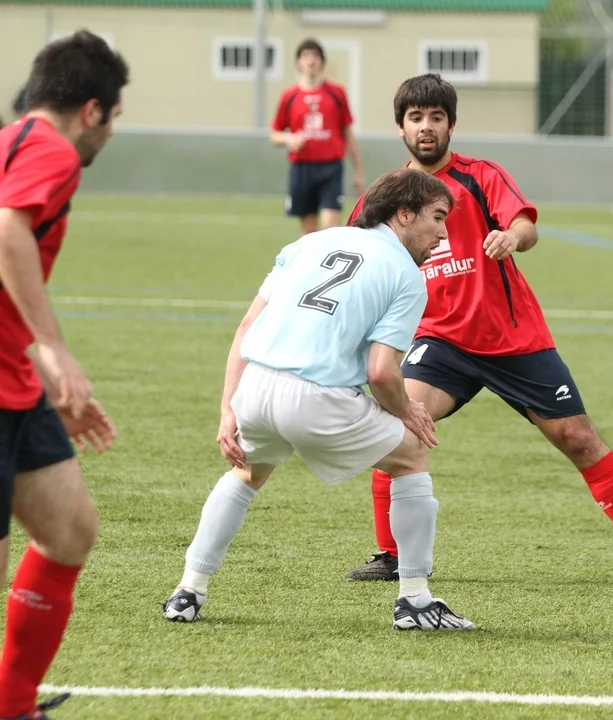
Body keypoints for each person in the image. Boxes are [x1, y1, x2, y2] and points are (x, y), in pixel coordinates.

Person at [343, 74, 613, 587]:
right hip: (439, 343)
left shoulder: (481, 176)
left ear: (451, 125)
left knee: (578, 438)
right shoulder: (386, 195)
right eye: (416, 118)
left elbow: (526, 225)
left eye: (436, 118)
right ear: (400, 127)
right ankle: (390, 554)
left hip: (513, 339)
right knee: (395, 426)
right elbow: (353, 251)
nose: (426, 127)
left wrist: (511, 237)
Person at [161, 168, 476, 631]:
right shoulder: (407, 275)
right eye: (438, 216)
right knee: (411, 455)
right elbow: (381, 372)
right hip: (315, 399)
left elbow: (247, 327)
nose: (444, 233)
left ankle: (188, 589)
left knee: (246, 474)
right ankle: (415, 599)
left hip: (256, 387)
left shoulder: (309, 243)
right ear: (404, 214)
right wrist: (407, 410)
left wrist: (228, 408)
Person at [0, 30, 127, 720]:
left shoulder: (14, 141)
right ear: (92, 110)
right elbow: (6, 233)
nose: (110, 132)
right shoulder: (52, 150)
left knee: (70, 528)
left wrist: (40, 373)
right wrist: (52, 348)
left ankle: (13, 704)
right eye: (113, 118)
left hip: (12, 381)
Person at [270, 38, 364, 235]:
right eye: (306, 56)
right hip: (302, 167)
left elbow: (348, 133)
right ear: (298, 62)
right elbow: (275, 134)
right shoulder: (290, 96)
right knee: (309, 230)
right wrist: (289, 139)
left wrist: (358, 171)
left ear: (322, 62)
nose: (311, 61)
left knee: (331, 225)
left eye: (315, 56)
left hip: (331, 167)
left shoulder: (336, 93)